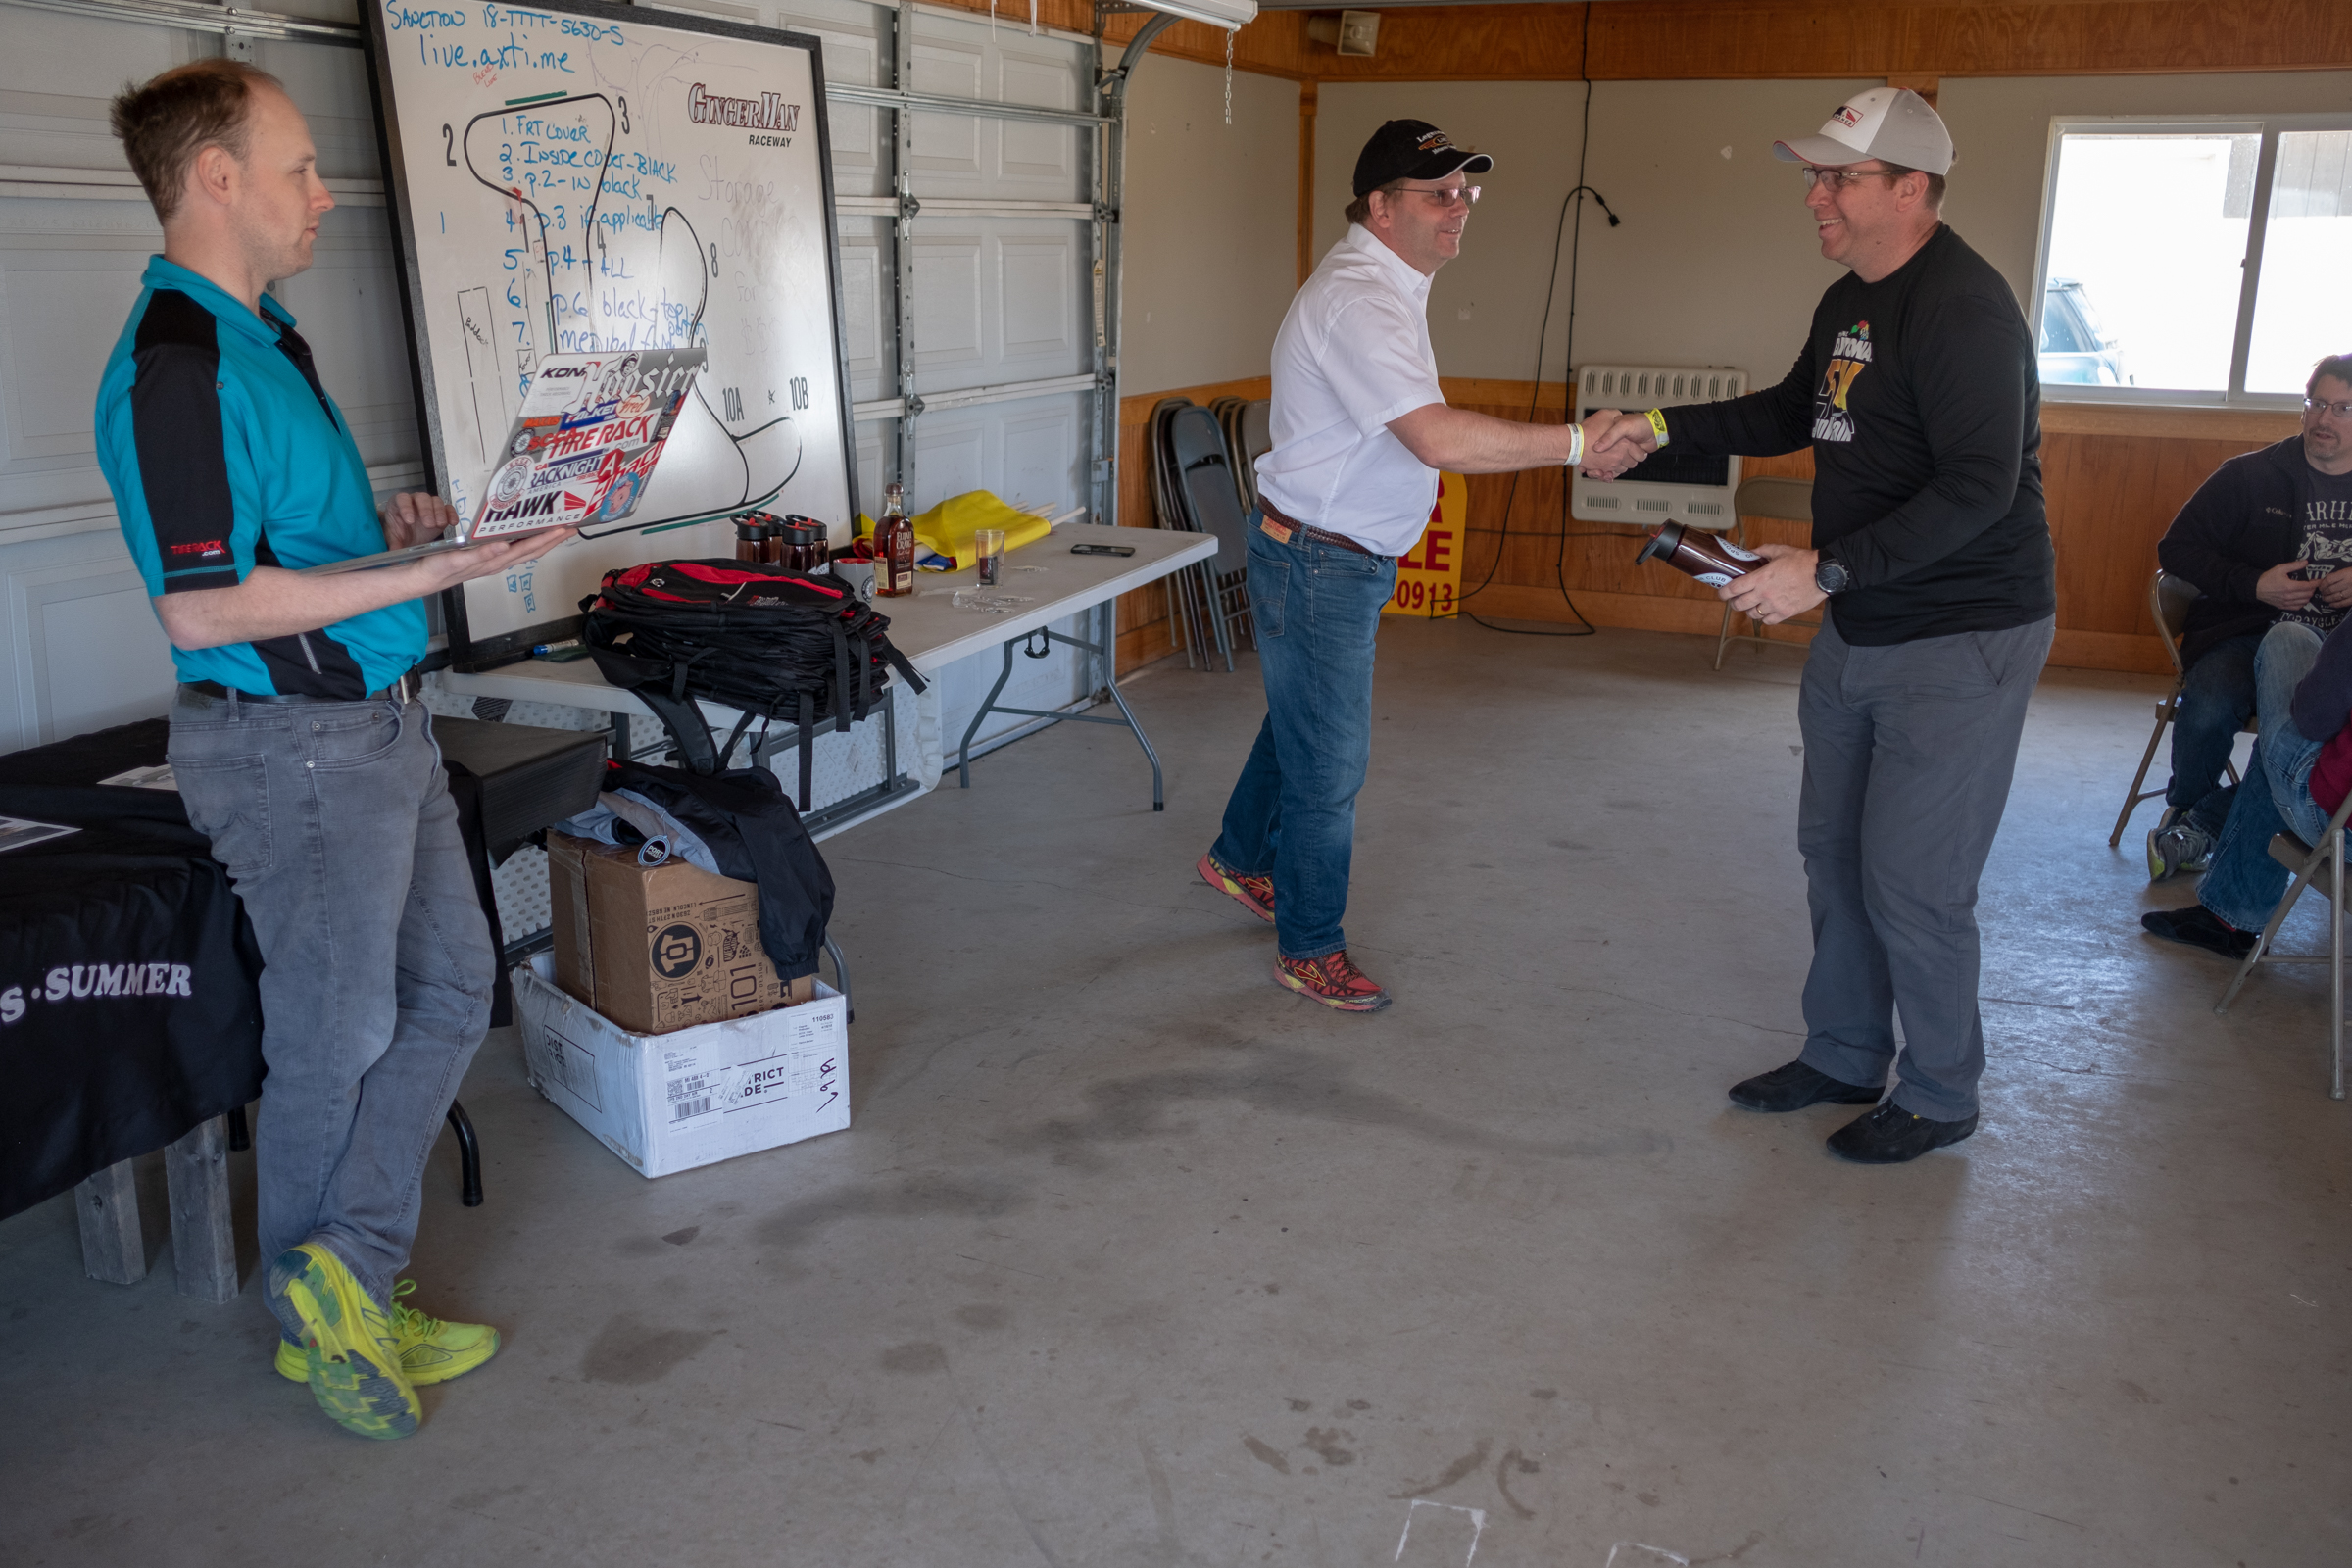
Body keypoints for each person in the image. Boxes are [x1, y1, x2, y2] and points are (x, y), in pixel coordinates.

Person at [94, 61, 569, 1440]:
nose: (326, 191)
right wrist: (440, 572)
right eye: (299, 166)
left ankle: (342, 1274)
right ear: (216, 177)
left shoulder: (266, 337)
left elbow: (286, 555)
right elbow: (201, 606)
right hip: (292, 752)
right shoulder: (176, 364)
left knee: (453, 988)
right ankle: (327, 1309)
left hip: (378, 726)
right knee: (340, 1029)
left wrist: (391, 540)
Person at [1592, 87, 2055, 1162]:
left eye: (1840, 177)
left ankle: (1940, 1091)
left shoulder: (1965, 310)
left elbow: (1981, 486)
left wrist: (1827, 569)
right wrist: (1652, 425)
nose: (1816, 196)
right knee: (1834, 855)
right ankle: (1845, 1053)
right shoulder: (1851, 301)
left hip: (1960, 632)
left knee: (1914, 880)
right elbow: (1788, 411)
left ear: (1912, 189)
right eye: (1816, 175)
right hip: (1861, 617)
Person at [1194, 120, 1627, 1011]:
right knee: (1329, 769)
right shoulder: (1361, 301)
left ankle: (1239, 860)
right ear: (1381, 208)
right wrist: (1577, 442)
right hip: (1321, 562)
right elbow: (1435, 439)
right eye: (1438, 194)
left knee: (1302, 722)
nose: (1458, 209)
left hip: (1322, 554)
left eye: (1466, 193)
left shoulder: (1389, 284)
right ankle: (1309, 947)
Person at [2143, 363, 2352, 957]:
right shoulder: (2249, 476)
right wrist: (2254, 584)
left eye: (2343, 409)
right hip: (2248, 631)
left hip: (2338, 652)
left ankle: (2200, 826)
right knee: (2211, 701)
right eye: (2316, 403)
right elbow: (2176, 550)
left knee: (2291, 735)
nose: (2324, 419)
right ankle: (2188, 804)